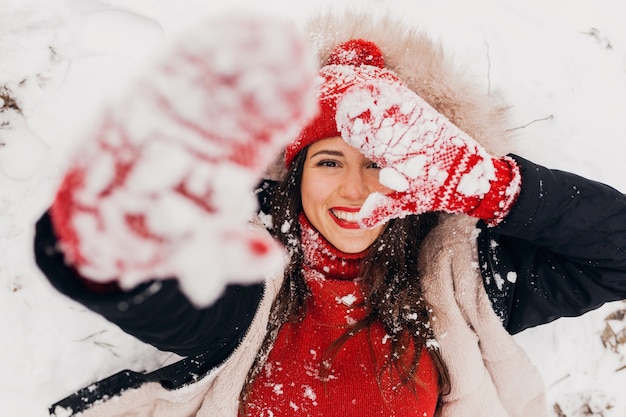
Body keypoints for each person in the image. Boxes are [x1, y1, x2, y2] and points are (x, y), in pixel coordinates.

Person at [36, 11, 626, 417]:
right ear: (294, 177)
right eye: (328, 162)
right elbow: (97, 264)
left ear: (421, 168)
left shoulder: (463, 284)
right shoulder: (251, 282)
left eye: (379, 161)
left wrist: (489, 187)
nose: (353, 189)